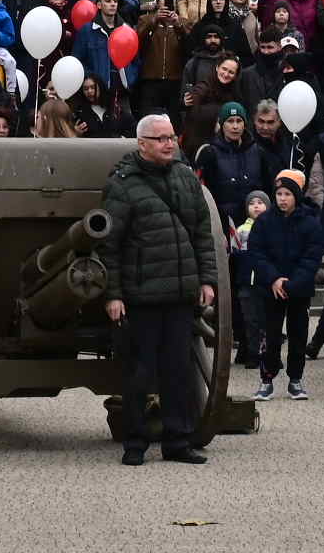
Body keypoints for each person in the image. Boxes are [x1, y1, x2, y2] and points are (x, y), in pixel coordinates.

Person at [102, 112, 216, 465]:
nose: (169, 144)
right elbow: (109, 245)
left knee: (178, 372)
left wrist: (207, 279)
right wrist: (114, 294)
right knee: (139, 374)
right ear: (142, 144)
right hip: (142, 295)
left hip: (180, 294)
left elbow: (202, 233)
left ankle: (178, 441)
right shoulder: (122, 184)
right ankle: (135, 443)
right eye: (161, 139)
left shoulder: (185, 178)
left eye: (171, 138)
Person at [250, 169, 323, 401]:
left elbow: (312, 257)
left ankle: (295, 379)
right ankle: (267, 378)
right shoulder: (263, 222)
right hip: (270, 288)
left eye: (287, 194)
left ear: (296, 196)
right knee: (270, 335)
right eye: (279, 194)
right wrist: (273, 278)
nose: (282, 198)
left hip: (298, 289)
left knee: (298, 334)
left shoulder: (310, 223)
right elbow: (257, 253)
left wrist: (293, 282)